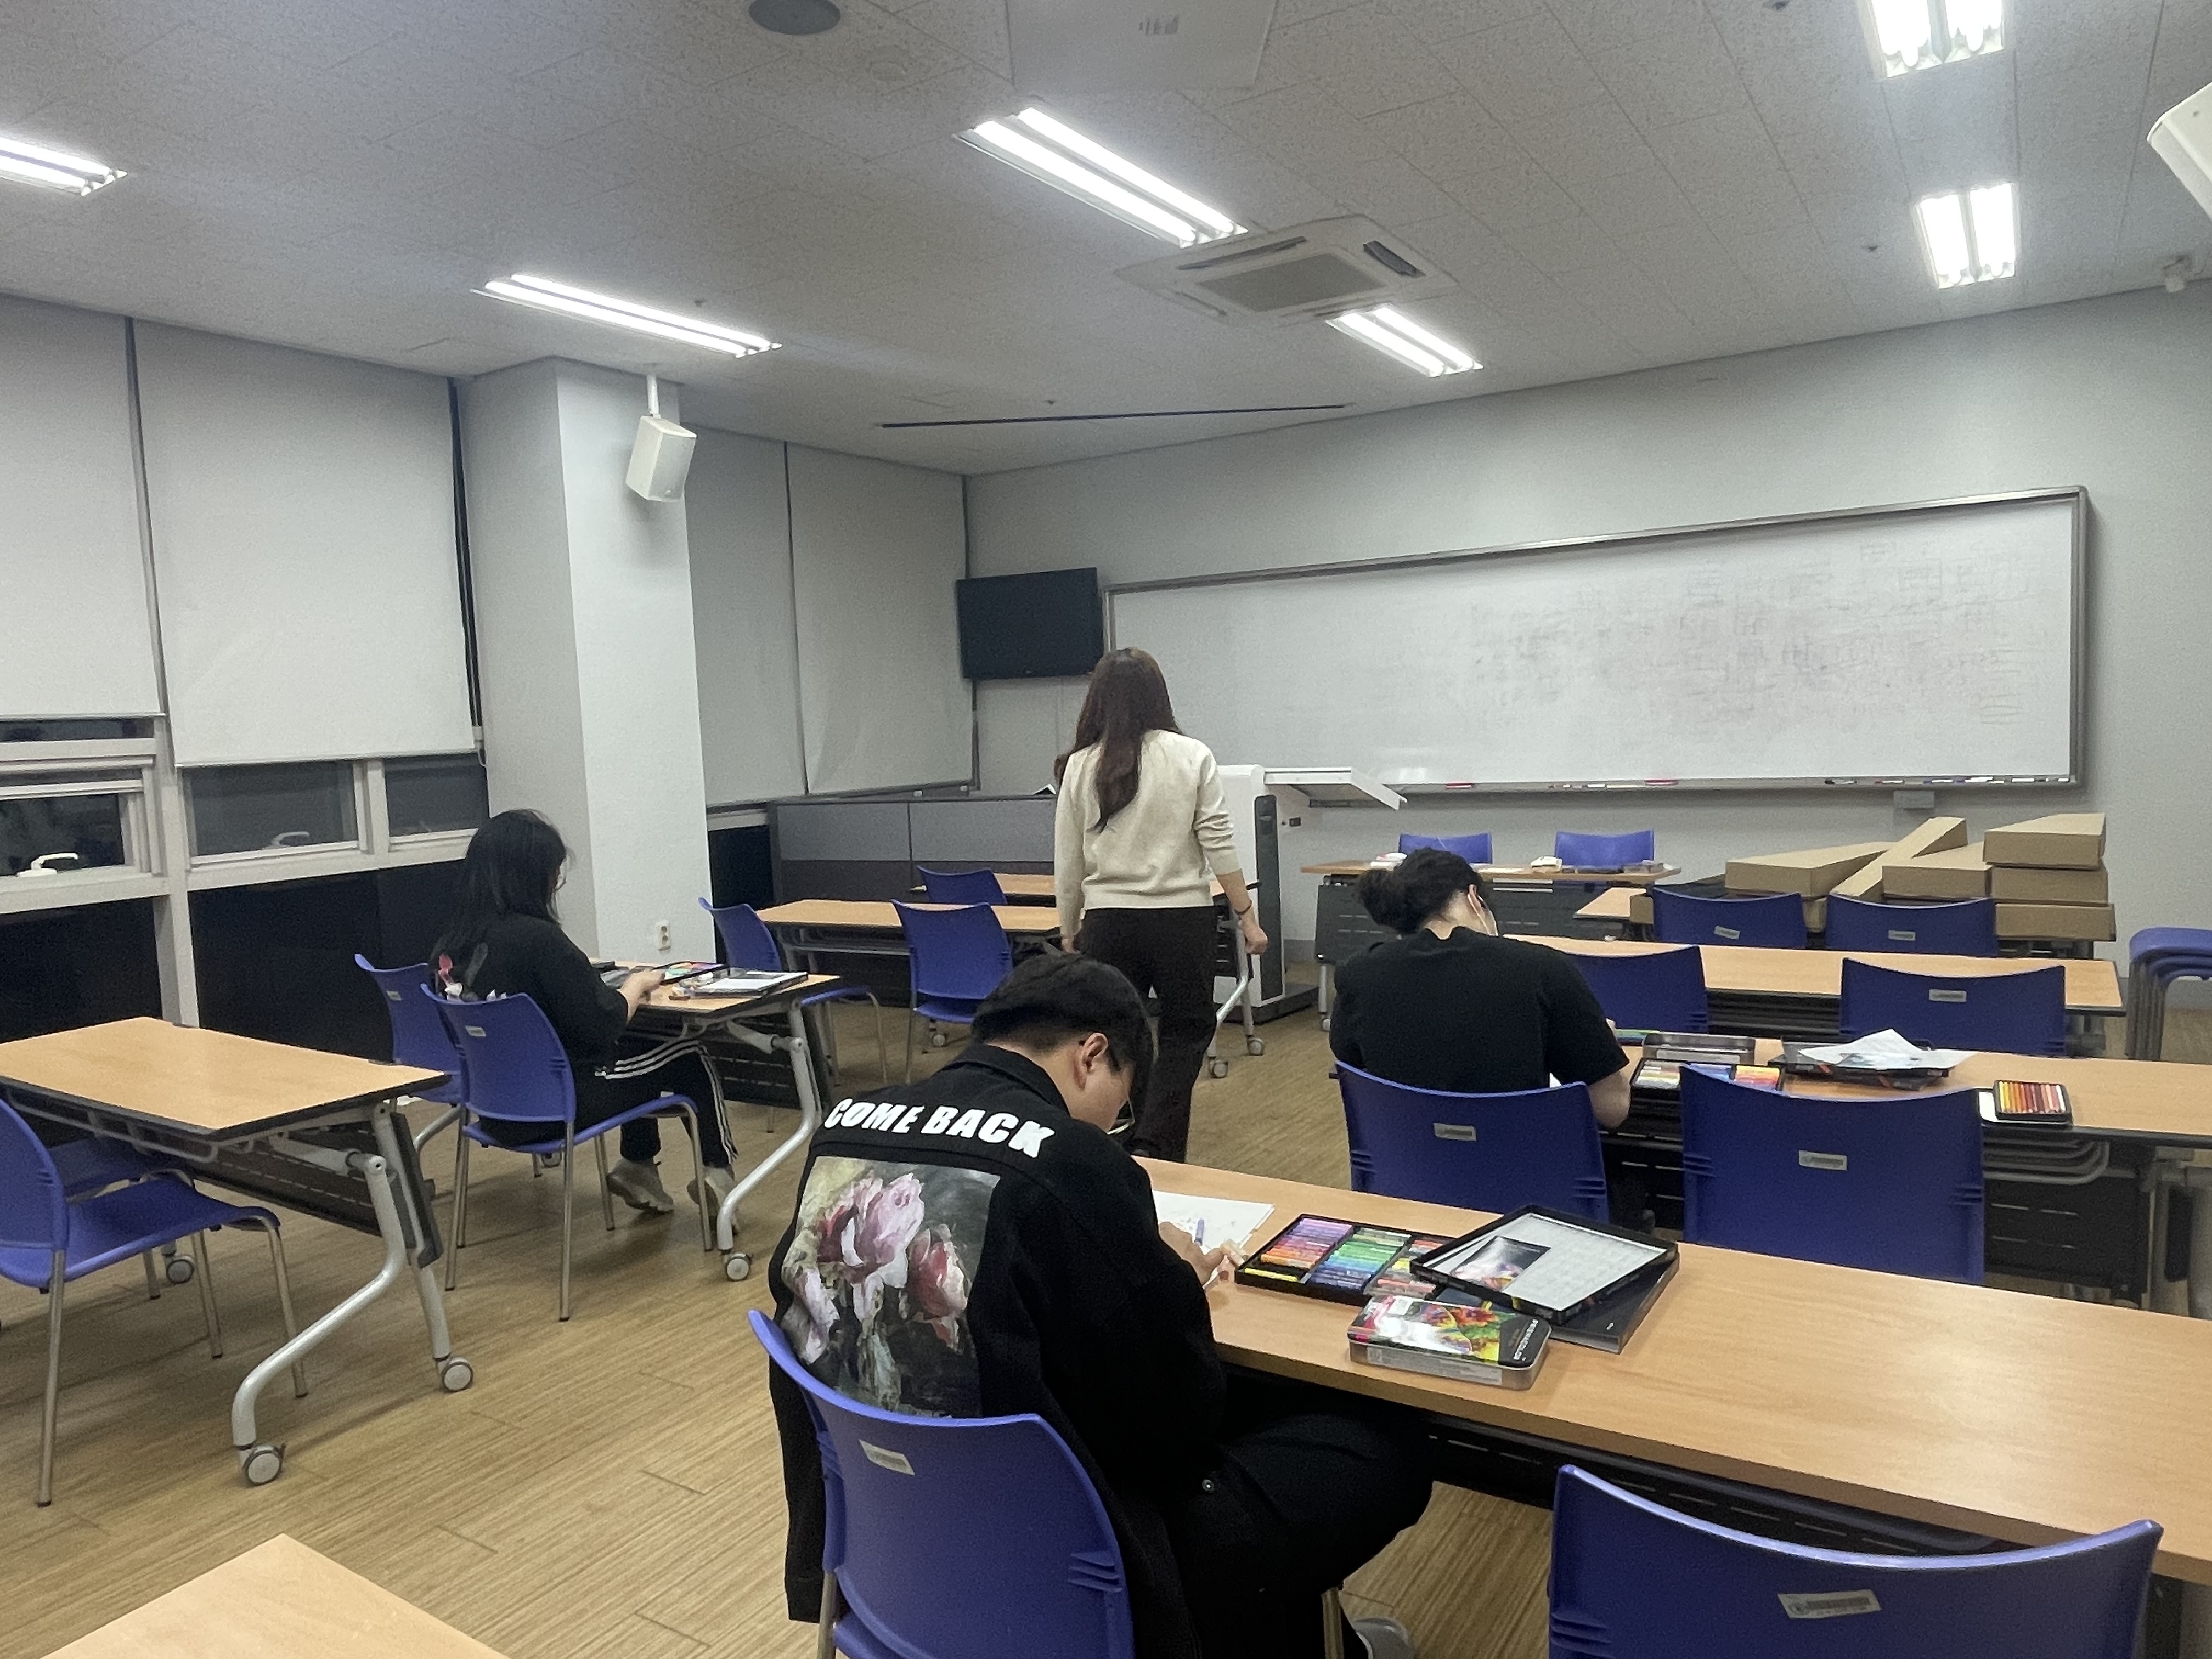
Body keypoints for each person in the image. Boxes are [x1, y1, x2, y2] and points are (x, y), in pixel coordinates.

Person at [767, 952, 1432, 1659]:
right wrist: (1171, 1279)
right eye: (1124, 1100)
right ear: (1092, 1055)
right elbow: (1176, 1422)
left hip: (889, 1533)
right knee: (1382, 1439)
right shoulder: (1074, 1159)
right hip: (1066, 1559)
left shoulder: (844, 1127)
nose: (1116, 1122)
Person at [431, 809, 732, 1214]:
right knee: (689, 1053)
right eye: (554, 873)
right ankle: (720, 1174)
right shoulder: (541, 941)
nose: (555, 884)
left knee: (635, 1048)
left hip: (492, 1111)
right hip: (559, 1106)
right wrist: (634, 987)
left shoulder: (450, 947)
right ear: (533, 877)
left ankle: (639, 1167)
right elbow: (602, 1024)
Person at [1054, 647, 1267, 1161]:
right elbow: (1217, 840)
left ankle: (1125, 1139)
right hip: (1182, 921)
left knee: (1118, 1036)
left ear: (1098, 699)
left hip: (1108, 921)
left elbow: (1068, 857)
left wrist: (1069, 925)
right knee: (1186, 1033)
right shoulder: (1192, 755)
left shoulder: (1081, 764)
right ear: (1159, 695)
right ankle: (1157, 1144)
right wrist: (1246, 915)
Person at [1330, 847, 1630, 1134]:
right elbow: (1612, 1109)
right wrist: (1604, 1045)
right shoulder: (1542, 968)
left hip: (1404, 1164)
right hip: (1522, 1165)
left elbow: (1356, 1071)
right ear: (1474, 897)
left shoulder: (1358, 974)